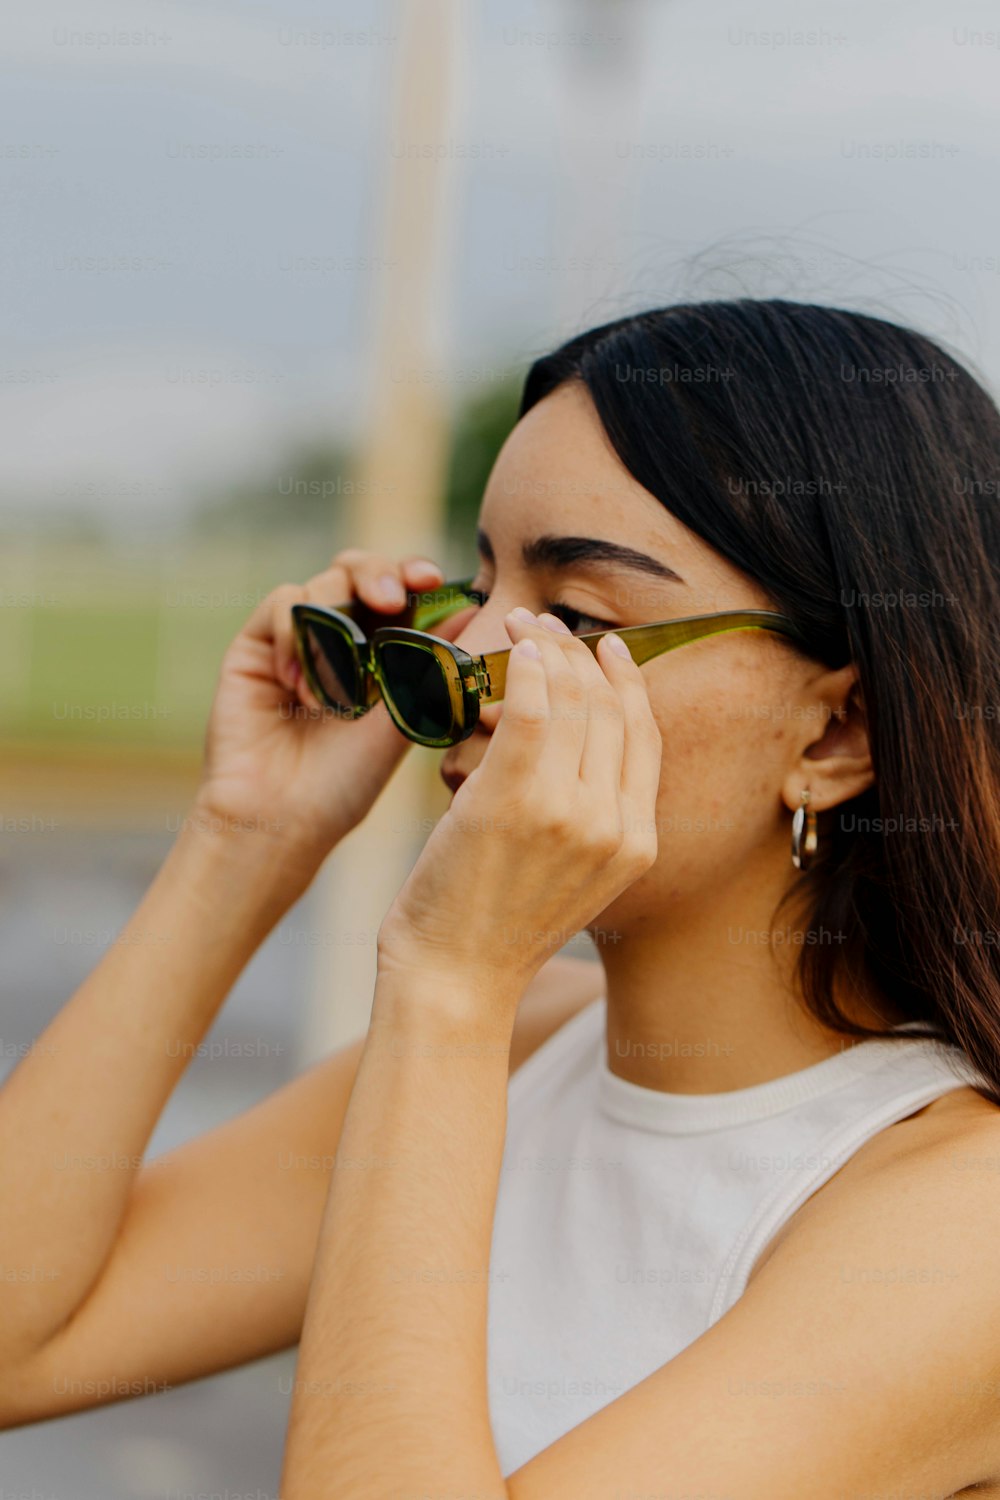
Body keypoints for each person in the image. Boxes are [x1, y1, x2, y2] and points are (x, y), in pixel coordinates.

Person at [2, 299, 999, 1499]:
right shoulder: (519, 1056)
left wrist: (447, 983)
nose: (460, 660)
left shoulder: (957, 1216)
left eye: (573, 616)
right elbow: (22, 1341)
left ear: (836, 731)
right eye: (477, 585)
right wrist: (246, 840)